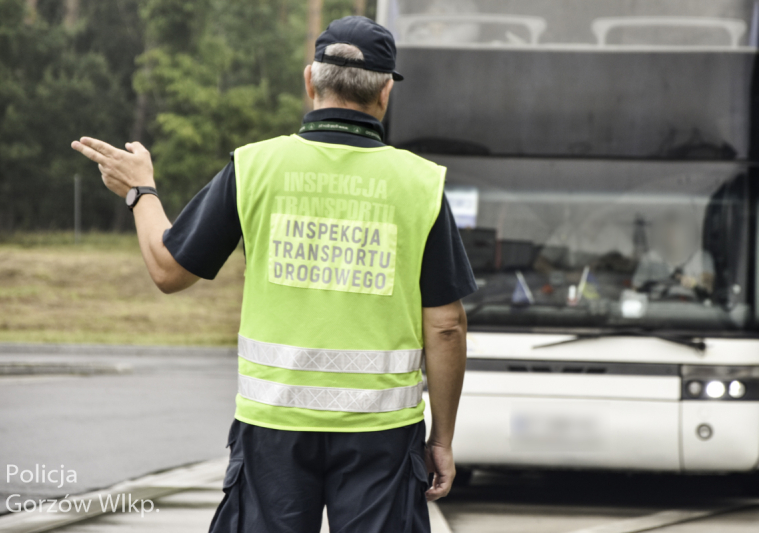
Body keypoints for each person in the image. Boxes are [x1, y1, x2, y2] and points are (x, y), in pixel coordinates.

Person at [71, 15, 476, 533]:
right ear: (384, 93)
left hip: (272, 428)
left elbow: (168, 270)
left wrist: (140, 192)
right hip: (381, 433)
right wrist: (441, 439)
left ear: (310, 81)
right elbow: (446, 326)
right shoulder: (421, 183)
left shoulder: (254, 166)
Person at [632, 210, 715, 299]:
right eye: (667, 233)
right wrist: (652, 286)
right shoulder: (650, 258)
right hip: (657, 305)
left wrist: (693, 283)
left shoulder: (701, 258)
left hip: (692, 306)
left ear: (685, 234)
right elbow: (635, 289)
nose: (671, 238)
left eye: (675, 233)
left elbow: (708, 288)